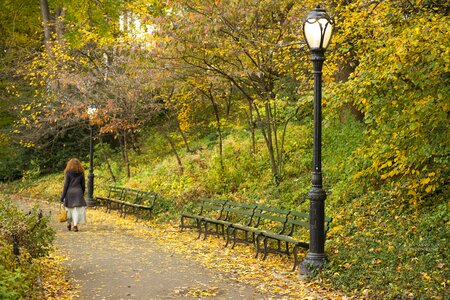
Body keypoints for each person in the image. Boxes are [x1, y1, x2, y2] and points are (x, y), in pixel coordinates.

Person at [60, 158, 87, 232]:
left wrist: (62, 196)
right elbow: (83, 185)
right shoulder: (81, 173)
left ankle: (68, 224)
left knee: (68, 209)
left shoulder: (68, 173)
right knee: (76, 210)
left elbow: (66, 185)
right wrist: (82, 193)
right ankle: (75, 225)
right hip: (78, 192)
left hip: (69, 192)